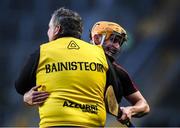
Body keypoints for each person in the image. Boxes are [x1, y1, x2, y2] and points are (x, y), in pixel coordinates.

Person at [15, 8, 111, 127]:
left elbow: (20, 86)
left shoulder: (43, 51)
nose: (47, 32)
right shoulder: (99, 53)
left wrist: (26, 97)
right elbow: (114, 88)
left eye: (49, 27)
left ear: (57, 29)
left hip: (55, 124)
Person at [90, 21, 150, 124]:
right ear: (96, 38)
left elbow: (144, 106)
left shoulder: (118, 73)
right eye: (113, 40)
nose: (117, 46)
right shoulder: (76, 60)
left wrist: (130, 110)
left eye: (120, 42)